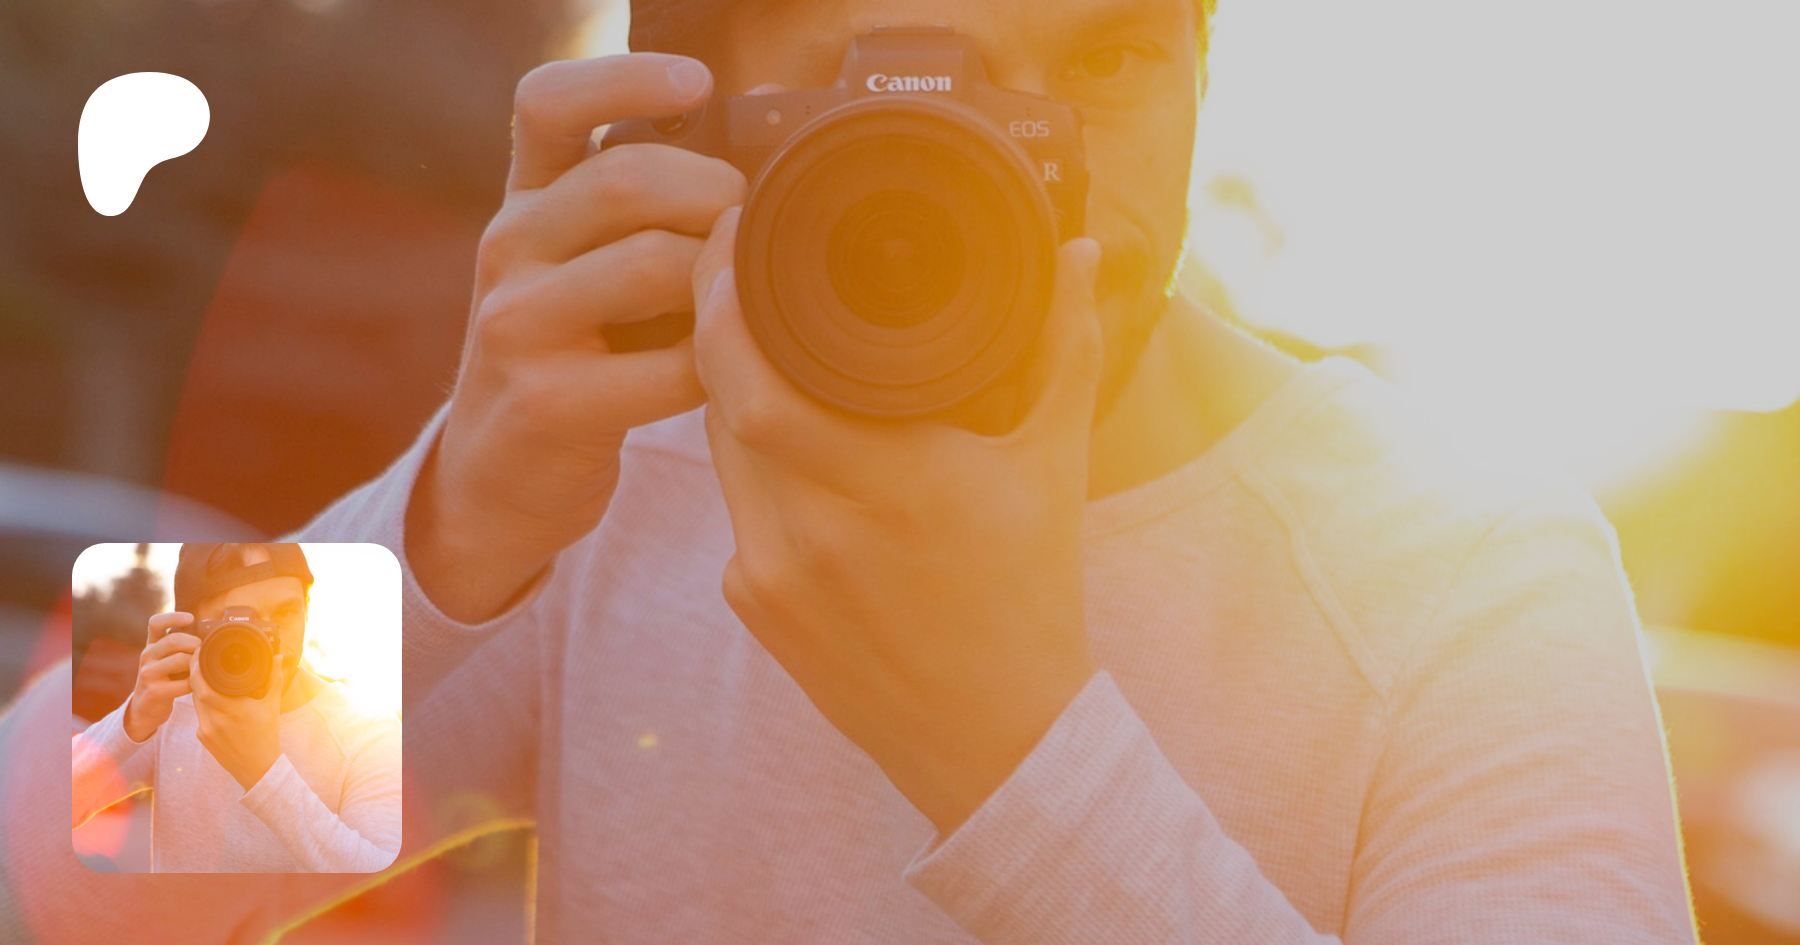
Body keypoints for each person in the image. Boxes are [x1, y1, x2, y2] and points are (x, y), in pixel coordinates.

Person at [0, 0, 1696, 940]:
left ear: (1201, 66)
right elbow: (52, 880)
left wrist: (1011, 747)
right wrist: (447, 522)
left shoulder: (1468, 564)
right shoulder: (611, 483)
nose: (1020, 177)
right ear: (706, 112)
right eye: (896, 95)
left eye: (1103, 63)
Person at [69, 543, 401, 873]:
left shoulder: (365, 730)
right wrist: (132, 720)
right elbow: (52, 809)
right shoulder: (171, 712)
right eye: (239, 621)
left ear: (306, 610)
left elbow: (382, 879)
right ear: (192, 629)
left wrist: (264, 771)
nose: (268, 639)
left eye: (285, 613)